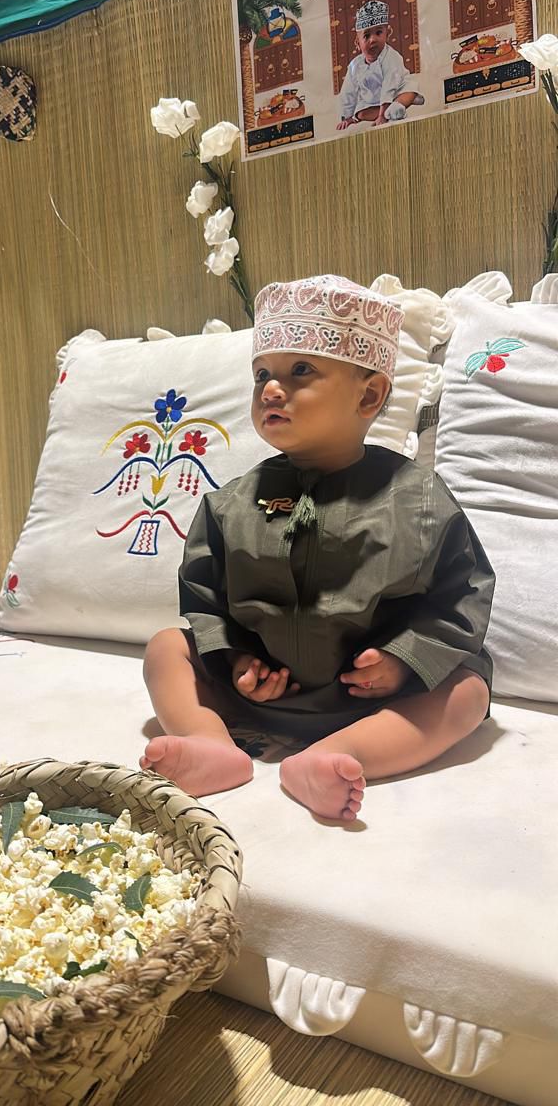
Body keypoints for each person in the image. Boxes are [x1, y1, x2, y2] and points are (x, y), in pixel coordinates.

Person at [140, 275, 494, 823]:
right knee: (166, 648)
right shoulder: (231, 504)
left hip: (375, 702)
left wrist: (404, 661)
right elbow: (206, 601)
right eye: (262, 374)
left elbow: (460, 596)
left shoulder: (418, 498)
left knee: (468, 689)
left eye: (300, 370)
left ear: (369, 395)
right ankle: (210, 742)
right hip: (258, 694)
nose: (270, 390)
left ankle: (336, 756)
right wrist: (237, 660)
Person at [336, 0, 424, 130]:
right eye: (366, 36)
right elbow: (348, 92)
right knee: (361, 113)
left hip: (396, 90)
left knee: (410, 90)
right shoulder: (355, 66)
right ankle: (390, 111)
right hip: (372, 101)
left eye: (378, 33)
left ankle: (396, 107)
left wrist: (382, 116)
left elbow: (390, 85)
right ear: (357, 43)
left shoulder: (391, 57)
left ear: (387, 33)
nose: (372, 40)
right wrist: (347, 117)